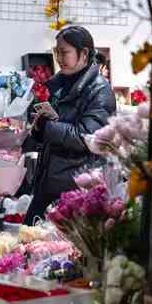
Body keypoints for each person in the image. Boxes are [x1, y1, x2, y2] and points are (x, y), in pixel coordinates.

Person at [24, 26, 116, 224]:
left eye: (64, 52)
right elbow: (53, 124)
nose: (59, 58)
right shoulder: (58, 83)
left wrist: (46, 127)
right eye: (57, 52)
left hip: (76, 187)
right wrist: (37, 127)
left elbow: (87, 137)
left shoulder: (100, 90)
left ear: (84, 53)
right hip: (50, 181)